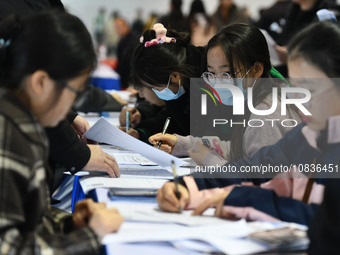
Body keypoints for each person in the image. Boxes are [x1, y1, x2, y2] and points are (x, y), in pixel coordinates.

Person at [157, 21, 340, 225]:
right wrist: (187, 185)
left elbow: (323, 219)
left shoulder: (271, 115)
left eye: (312, 88)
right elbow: (253, 168)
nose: (301, 98)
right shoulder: (309, 134)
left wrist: (243, 200)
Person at [0, 11, 123, 253]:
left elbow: (26, 223)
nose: (72, 107)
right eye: (74, 92)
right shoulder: (8, 136)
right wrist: (90, 235)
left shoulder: (22, 125)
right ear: (40, 83)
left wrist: (68, 224)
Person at [150, 23, 300, 163]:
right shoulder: (256, 99)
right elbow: (240, 148)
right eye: (211, 73)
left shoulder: (266, 115)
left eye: (227, 73)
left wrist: (208, 158)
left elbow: (258, 181)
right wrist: (183, 144)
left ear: (256, 69)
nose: (217, 82)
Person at [128, 23, 203, 141]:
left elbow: (210, 140)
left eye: (147, 87)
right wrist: (139, 133)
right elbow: (172, 121)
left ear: (174, 76)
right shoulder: (179, 84)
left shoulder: (211, 79)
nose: (141, 95)